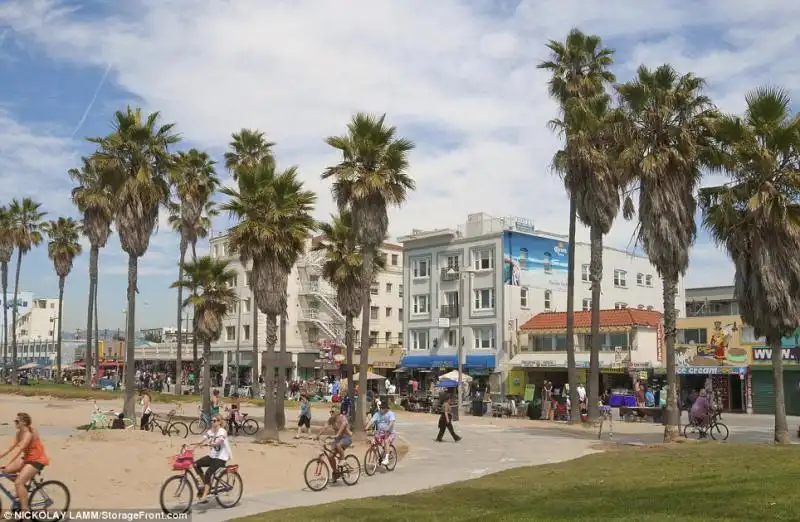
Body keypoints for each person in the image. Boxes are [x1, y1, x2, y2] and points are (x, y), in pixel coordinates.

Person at [0, 413, 49, 511]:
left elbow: (19, 450)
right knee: (6, 472)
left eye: (17, 421)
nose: (15, 423)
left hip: (37, 460)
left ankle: (24, 509)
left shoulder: (28, 434)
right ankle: (23, 489)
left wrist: (8, 463)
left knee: (18, 482)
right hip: (27, 458)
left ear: (24, 423)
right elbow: (10, 448)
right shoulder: (19, 433)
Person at [192, 414, 231, 501]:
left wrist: (211, 444)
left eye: (214, 421)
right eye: (211, 421)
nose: (212, 422)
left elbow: (219, 441)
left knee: (208, 473)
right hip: (213, 456)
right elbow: (203, 438)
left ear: (219, 422)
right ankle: (206, 484)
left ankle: (205, 495)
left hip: (221, 458)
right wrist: (192, 446)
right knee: (195, 464)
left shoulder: (222, 431)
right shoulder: (211, 431)